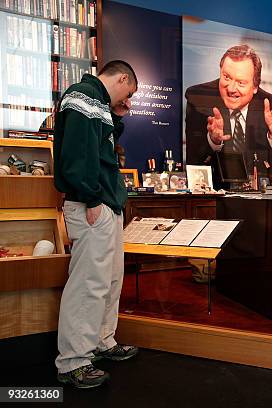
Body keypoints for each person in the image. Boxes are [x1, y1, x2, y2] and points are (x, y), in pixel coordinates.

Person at [53, 60, 139, 388]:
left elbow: (101, 148)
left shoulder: (99, 104)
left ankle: (102, 341)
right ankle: (74, 360)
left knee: (110, 280)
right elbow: (76, 155)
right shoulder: (83, 96)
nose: (126, 99)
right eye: (127, 92)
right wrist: (90, 199)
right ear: (121, 78)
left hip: (104, 203)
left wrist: (116, 116)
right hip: (93, 204)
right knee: (89, 284)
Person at [185, 44, 272, 187]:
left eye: (241, 82)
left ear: (255, 86)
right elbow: (193, 165)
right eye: (226, 77)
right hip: (216, 201)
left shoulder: (271, 106)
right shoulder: (198, 98)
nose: (231, 89)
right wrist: (213, 141)